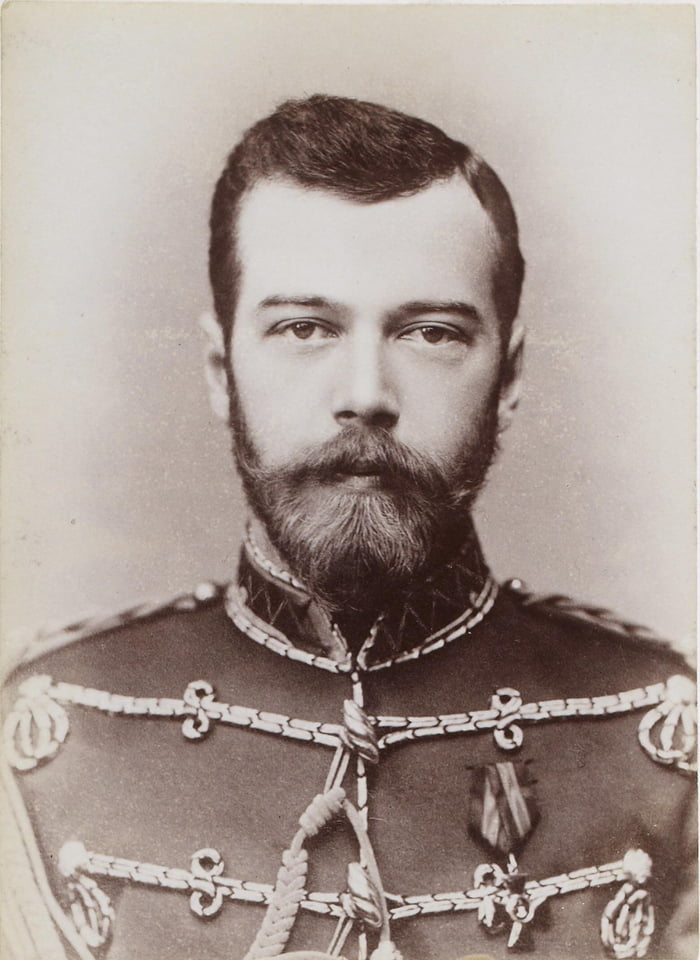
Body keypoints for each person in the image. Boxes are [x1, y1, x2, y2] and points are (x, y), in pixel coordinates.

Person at [1, 95, 695, 960]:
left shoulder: (664, 742)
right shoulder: (46, 742)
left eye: (432, 332)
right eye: (303, 327)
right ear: (223, 371)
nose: (365, 391)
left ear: (509, 377)